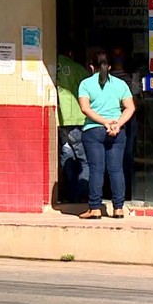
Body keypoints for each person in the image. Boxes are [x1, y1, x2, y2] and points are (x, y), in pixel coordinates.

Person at [77, 51, 135, 219]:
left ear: (91, 66)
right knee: (116, 169)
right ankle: (118, 208)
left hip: (93, 131)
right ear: (109, 67)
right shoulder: (120, 84)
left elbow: (85, 108)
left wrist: (104, 122)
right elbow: (130, 107)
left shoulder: (85, 84)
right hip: (117, 131)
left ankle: (95, 208)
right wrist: (117, 123)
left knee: (96, 169)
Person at [56, 46, 90, 203]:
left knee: (67, 155)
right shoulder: (77, 68)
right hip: (76, 119)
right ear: (70, 52)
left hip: (60, 121)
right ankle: (81, 194)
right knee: (84, 159)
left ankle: (70, 194)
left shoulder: (51, 65)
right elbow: (90, 87)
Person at [109, 46, 140, 200]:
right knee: (126, 156)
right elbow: (137, 101)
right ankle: (126, 192)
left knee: (111, 157)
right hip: (127, 119)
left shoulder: (105, 79)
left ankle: (116, 192)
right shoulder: (130, 79)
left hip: (110, 120)